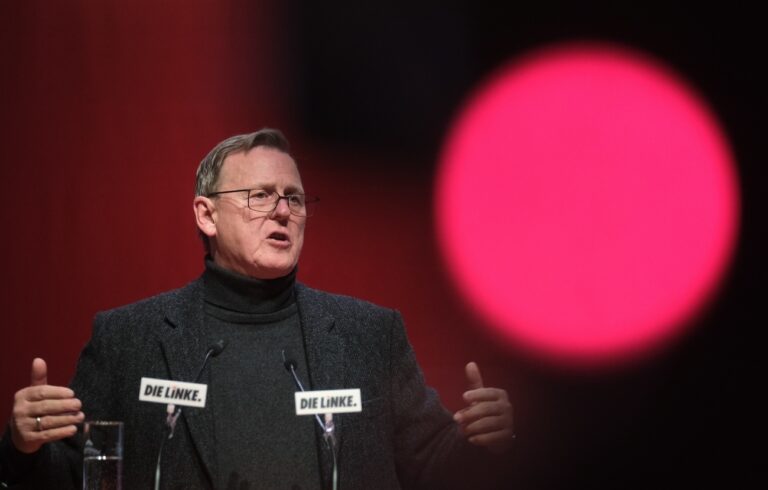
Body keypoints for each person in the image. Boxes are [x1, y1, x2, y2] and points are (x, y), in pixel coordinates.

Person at [0, 129, 514, 489]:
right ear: (206, 214)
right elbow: (74, 476)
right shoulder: (127, 338)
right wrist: (23, 446)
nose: (284, 211)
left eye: (295, 197)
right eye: (260, 195)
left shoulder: (369, 334)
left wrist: (483, 444)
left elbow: (433, 467)